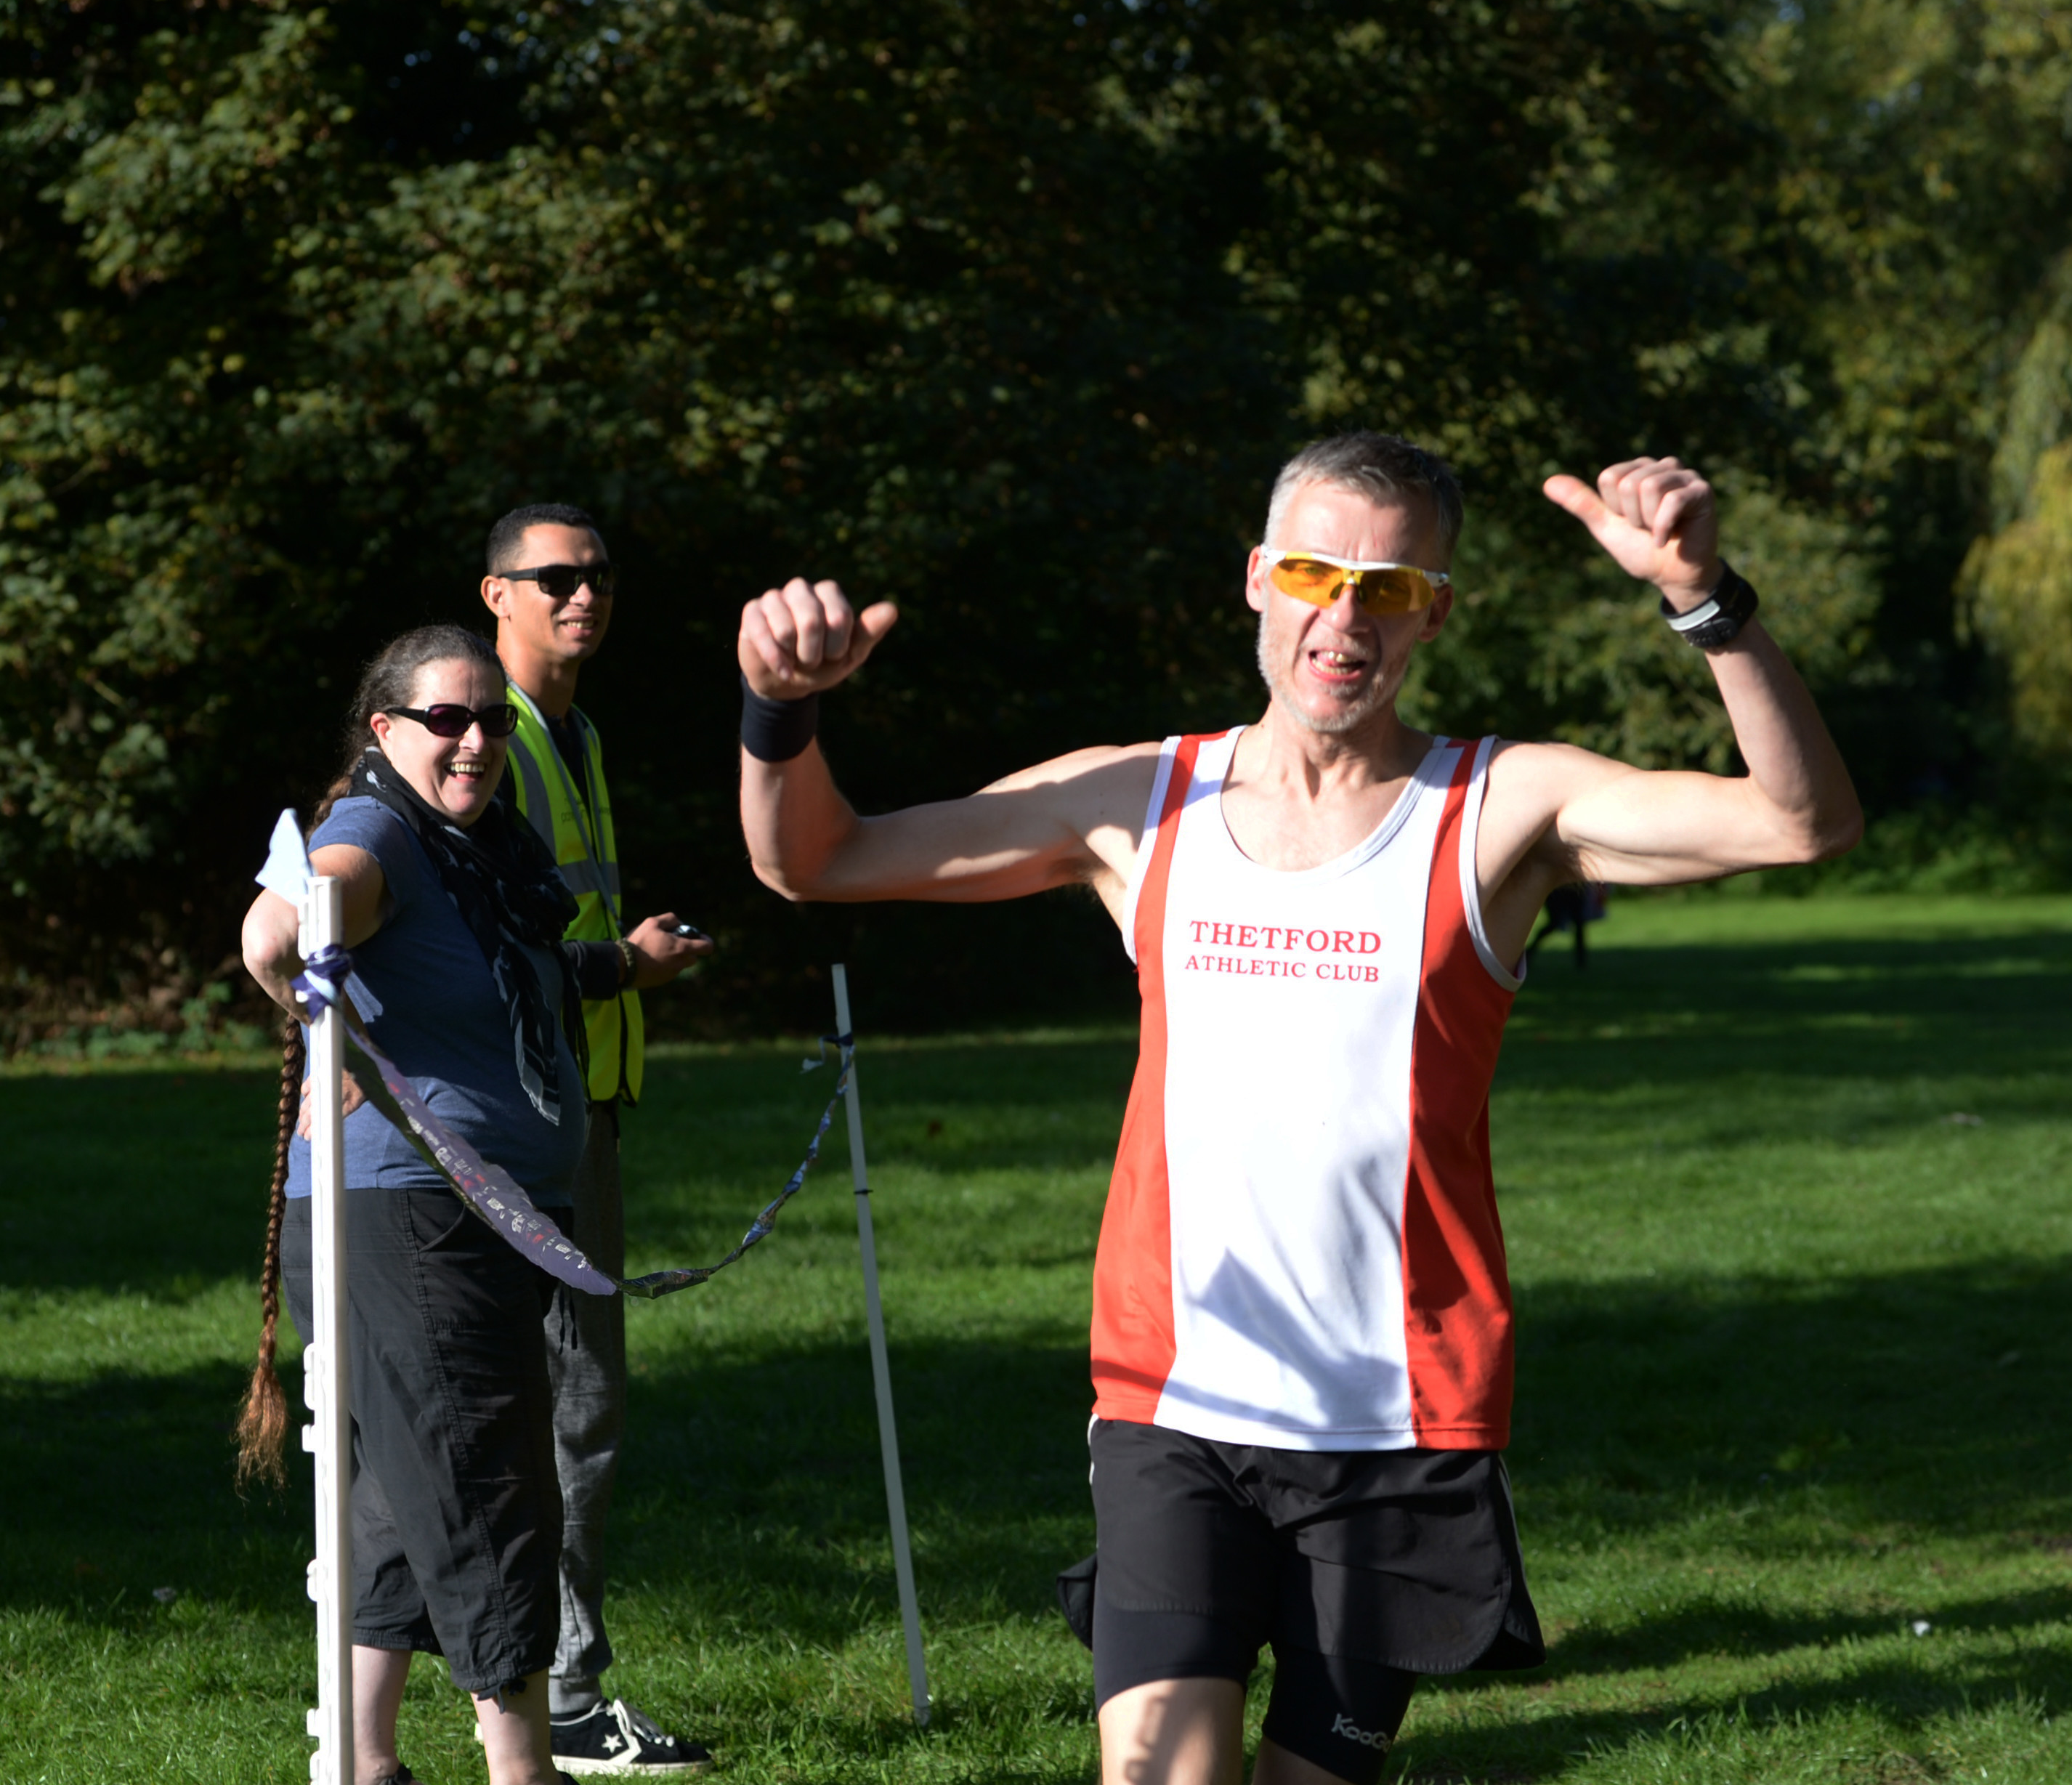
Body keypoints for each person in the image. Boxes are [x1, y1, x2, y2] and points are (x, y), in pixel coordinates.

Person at [731, 433, 1861, 1785]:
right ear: (1259, 578)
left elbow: (1800, 825)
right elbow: (816, 860)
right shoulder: (1138, 800)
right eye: (1318, 574)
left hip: (1397, 1417)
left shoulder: (1499, 807)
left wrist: (1708, 606)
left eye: (1387, 588)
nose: (1344, 618)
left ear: (1430, 613)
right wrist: (776, 711)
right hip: (1175, 1397)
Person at [237, 624, 590, 1785]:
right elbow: (294, 910)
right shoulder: (379, 824)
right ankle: (520, 1769)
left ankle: (364, 1761)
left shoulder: (478, 846)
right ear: (386, 730)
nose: (476, 739)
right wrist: (301, 979)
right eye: (447, 718)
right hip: (409, 1220)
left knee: (397, 1487)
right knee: (483, 1483)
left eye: (491, 718)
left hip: (456, 1216)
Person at [482, 503, 718, 1776]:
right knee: (568, 1405)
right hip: (523, 1127)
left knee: (569, 1403)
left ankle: (528, 1682)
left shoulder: (573, 731)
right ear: (497, 593)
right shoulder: (489, 736)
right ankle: (560, 1698)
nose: (585, 596)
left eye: (600, 577)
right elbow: (483, 954)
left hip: (584, 1113)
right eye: (556, 578)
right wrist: (620, 969)